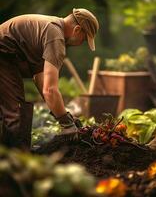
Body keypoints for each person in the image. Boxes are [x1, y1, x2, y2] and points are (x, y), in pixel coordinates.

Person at [0, 8, 99, 150]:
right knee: (16, 113)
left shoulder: (50, 29)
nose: (81, 43)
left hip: (7, 57)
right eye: (84, 39)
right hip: (3, 55)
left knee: (8, 112)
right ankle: (17, 165)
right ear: (77, 30)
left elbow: (41, 80)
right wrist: (66, 123)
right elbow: (49, 90)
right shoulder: (55, 37)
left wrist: (64, 115)